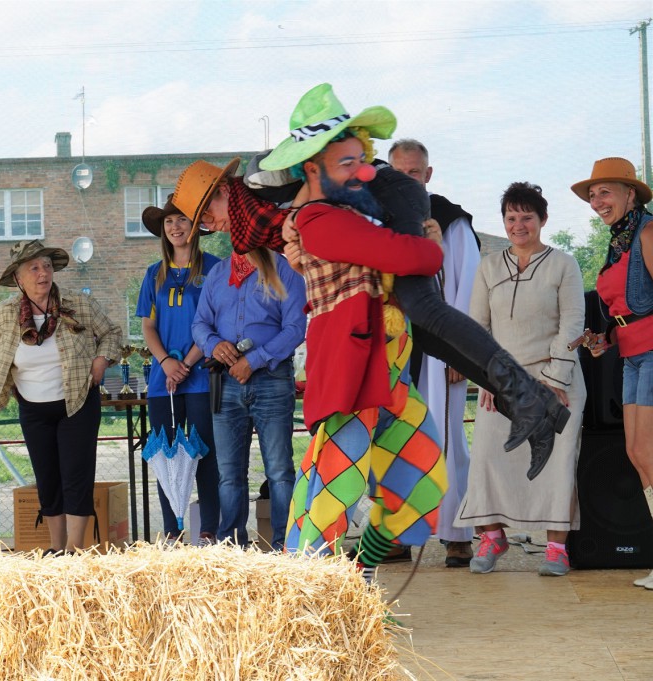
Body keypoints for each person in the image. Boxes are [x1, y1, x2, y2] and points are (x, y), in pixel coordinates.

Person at [175, 85, 569, 480]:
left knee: (423, 307)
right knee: (427, 332)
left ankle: (527, 397)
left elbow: (336, 192)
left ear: (224, 191)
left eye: (205, 215)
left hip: (391, 192)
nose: (210, 227)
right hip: (376, 210)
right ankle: (531, 404)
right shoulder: (256, 223)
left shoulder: (262, 178)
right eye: (203, 226)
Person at [215, 94, 446, 581]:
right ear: (313, 167)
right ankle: (312, 598)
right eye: (349, 161)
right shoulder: (318, 220)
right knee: (329, 495)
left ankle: (357, 577)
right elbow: (416, 259)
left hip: (392, 370)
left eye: (361, 157)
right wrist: (427, 244)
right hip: (355, 370)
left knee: (421, 485)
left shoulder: (353, 210)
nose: (364, 170)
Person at [455, 182, 585, 576]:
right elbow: (477, 328)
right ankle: (493, 537)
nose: (518, 225)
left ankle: (556, 549)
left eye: (527, 216)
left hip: (556, 382)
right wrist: (491, 382)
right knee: (488, 460)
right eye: (511, 218)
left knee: (557, 463)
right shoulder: (490, 266)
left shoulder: (564, 264)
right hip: (503, 383)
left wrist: (553, 381)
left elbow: (573, 324)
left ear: (543, 220)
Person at [0, 240, 122, 554]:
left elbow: (112, 332)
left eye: (46, 266)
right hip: (32, 407)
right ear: (18, 278)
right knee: (47, 477)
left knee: (76, 473)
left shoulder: (78, 305)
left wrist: (101, 361)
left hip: (78, 402)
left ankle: (74, 549)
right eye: (34, 268)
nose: (43, 273)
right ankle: (56, 548)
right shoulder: (3, 315)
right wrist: (9, 375)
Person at [189, 215, 306, 550]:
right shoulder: (217, 273)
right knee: (229, 473)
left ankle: (285, 546)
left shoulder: (282, 269)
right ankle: (232, 547)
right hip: (225, 382)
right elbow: (200, 324)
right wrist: (214, 344)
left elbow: (296, 328)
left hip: (271, 379)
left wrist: (252, 361)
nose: (236, 234)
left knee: (280, 470)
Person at [388, 139, 479, 568]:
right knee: (393, 443)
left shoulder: (450, 220)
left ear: (427, 174)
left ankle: (457, 533)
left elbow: (469, 288)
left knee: (447, 441)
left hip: (441, 352)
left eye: (414, 172)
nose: (406, 179)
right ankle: (396, 534)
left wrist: (461, 351)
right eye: (398, 172)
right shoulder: (378, 218)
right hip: (393, 349)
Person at [570, 158, 653, 587]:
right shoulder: (618, 242)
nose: (597, 201)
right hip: (632, 354)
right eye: (593, 195)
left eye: (605, 192)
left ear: (630, 194)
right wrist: (603, 339)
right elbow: (624, 308)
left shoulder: (647, 232)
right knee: (639, 454)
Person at [135, 197, 220, 544]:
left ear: (196, 226)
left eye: (183, 220)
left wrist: (186, 363)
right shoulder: (153, 274)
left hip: (201, 377)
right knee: (167, 454)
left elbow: (215, 322)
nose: (176, 227)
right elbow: (148, 327)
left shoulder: (214, 268)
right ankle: (172, 532)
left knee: (205, 454)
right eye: (169, 221)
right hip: (163, 381)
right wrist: (167, 363)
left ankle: (210, 530)